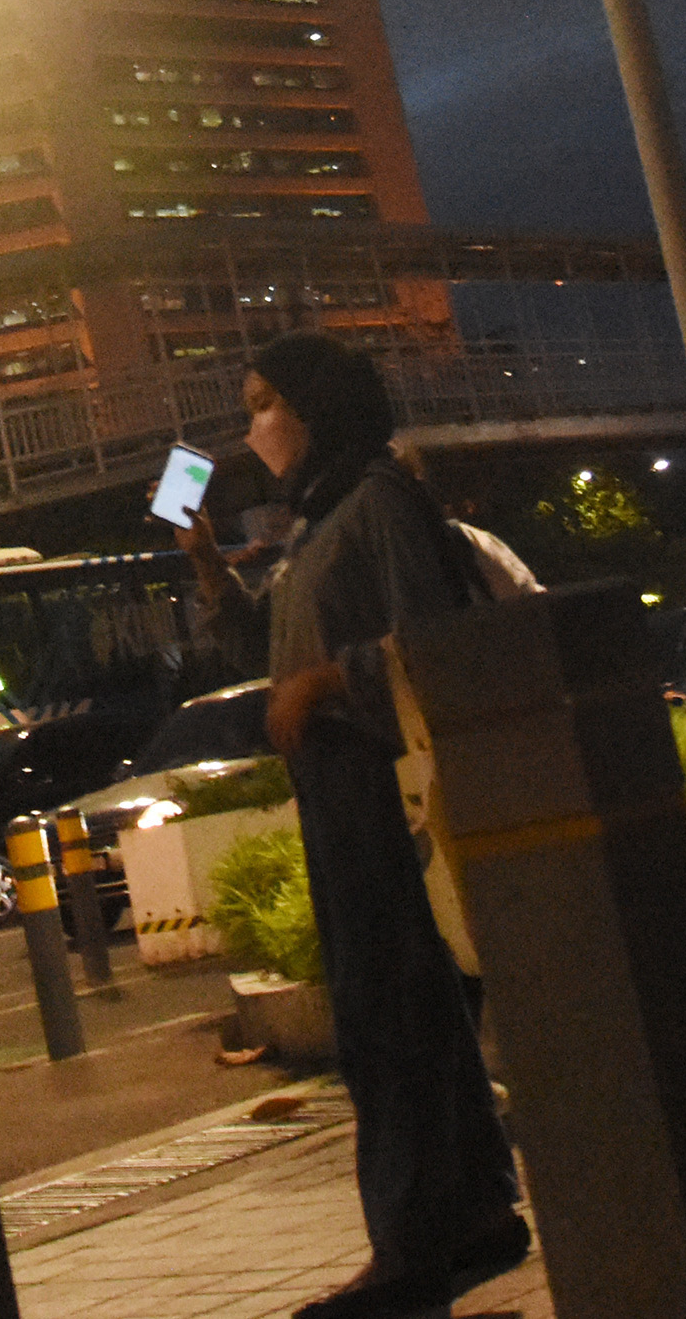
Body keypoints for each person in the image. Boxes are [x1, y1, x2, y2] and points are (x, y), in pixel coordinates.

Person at [247, 329, 529, 1319]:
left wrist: (328, 682)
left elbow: (438, 639)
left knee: (384, 1012)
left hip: (378, 788)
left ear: (316, 407)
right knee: (412, 1005)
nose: (255, 428)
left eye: (265, 403)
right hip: (341, 793)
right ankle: (474, 1209)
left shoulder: (376, 500)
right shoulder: (318, 517)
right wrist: (205, 568)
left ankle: (409, 1243)